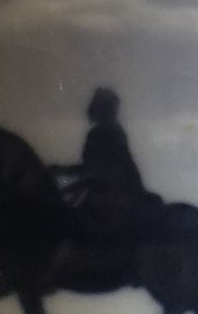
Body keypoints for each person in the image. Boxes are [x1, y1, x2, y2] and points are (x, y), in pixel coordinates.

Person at [51, 88, 157, 235]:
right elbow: (95, 169)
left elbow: (96, 171)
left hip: (112, 202)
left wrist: (62, 173)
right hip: (118, 196)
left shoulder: (101, 134)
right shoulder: (114, 132)